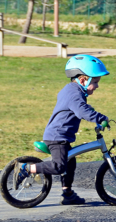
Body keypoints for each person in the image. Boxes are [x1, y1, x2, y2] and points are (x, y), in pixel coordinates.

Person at [13, 54, 110, 205]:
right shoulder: (75, 95)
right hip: (58, 136)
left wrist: (91, 112)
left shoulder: (72, 90)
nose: (97, 86)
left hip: (60, 135)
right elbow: (81, 111)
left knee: (70, 162)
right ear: (83, 80)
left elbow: (80, 107)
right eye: (96, 82)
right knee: (59, 166)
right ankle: (25, 168)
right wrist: (100, 118)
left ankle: (68, 193)